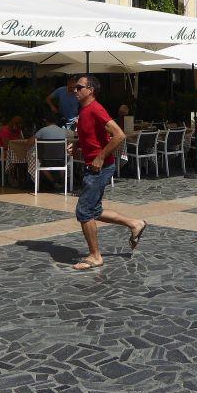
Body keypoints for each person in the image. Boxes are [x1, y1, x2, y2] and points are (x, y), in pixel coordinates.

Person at [71, 75, 146, 270]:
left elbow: (119, 135)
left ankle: (96, 256)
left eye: (79, 87)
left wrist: (101, 157)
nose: (75, 90)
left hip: (100, 167)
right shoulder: (84, 110)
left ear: (90, 90)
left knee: (84, 211)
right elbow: (92, 135)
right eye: (75, 88)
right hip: (94, 165)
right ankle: (135, 223)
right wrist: (78, 145)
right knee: (94, 210)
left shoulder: (96, 109)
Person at [34, 119, 73, 192]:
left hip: (45, 161)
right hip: (61, 160)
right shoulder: (64, 131)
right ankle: (62, 181)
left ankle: (53, 182)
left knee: (41, 164)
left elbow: (32, 141)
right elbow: (74, 135)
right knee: (65, 160)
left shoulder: (42, 130)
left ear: (47, 122)